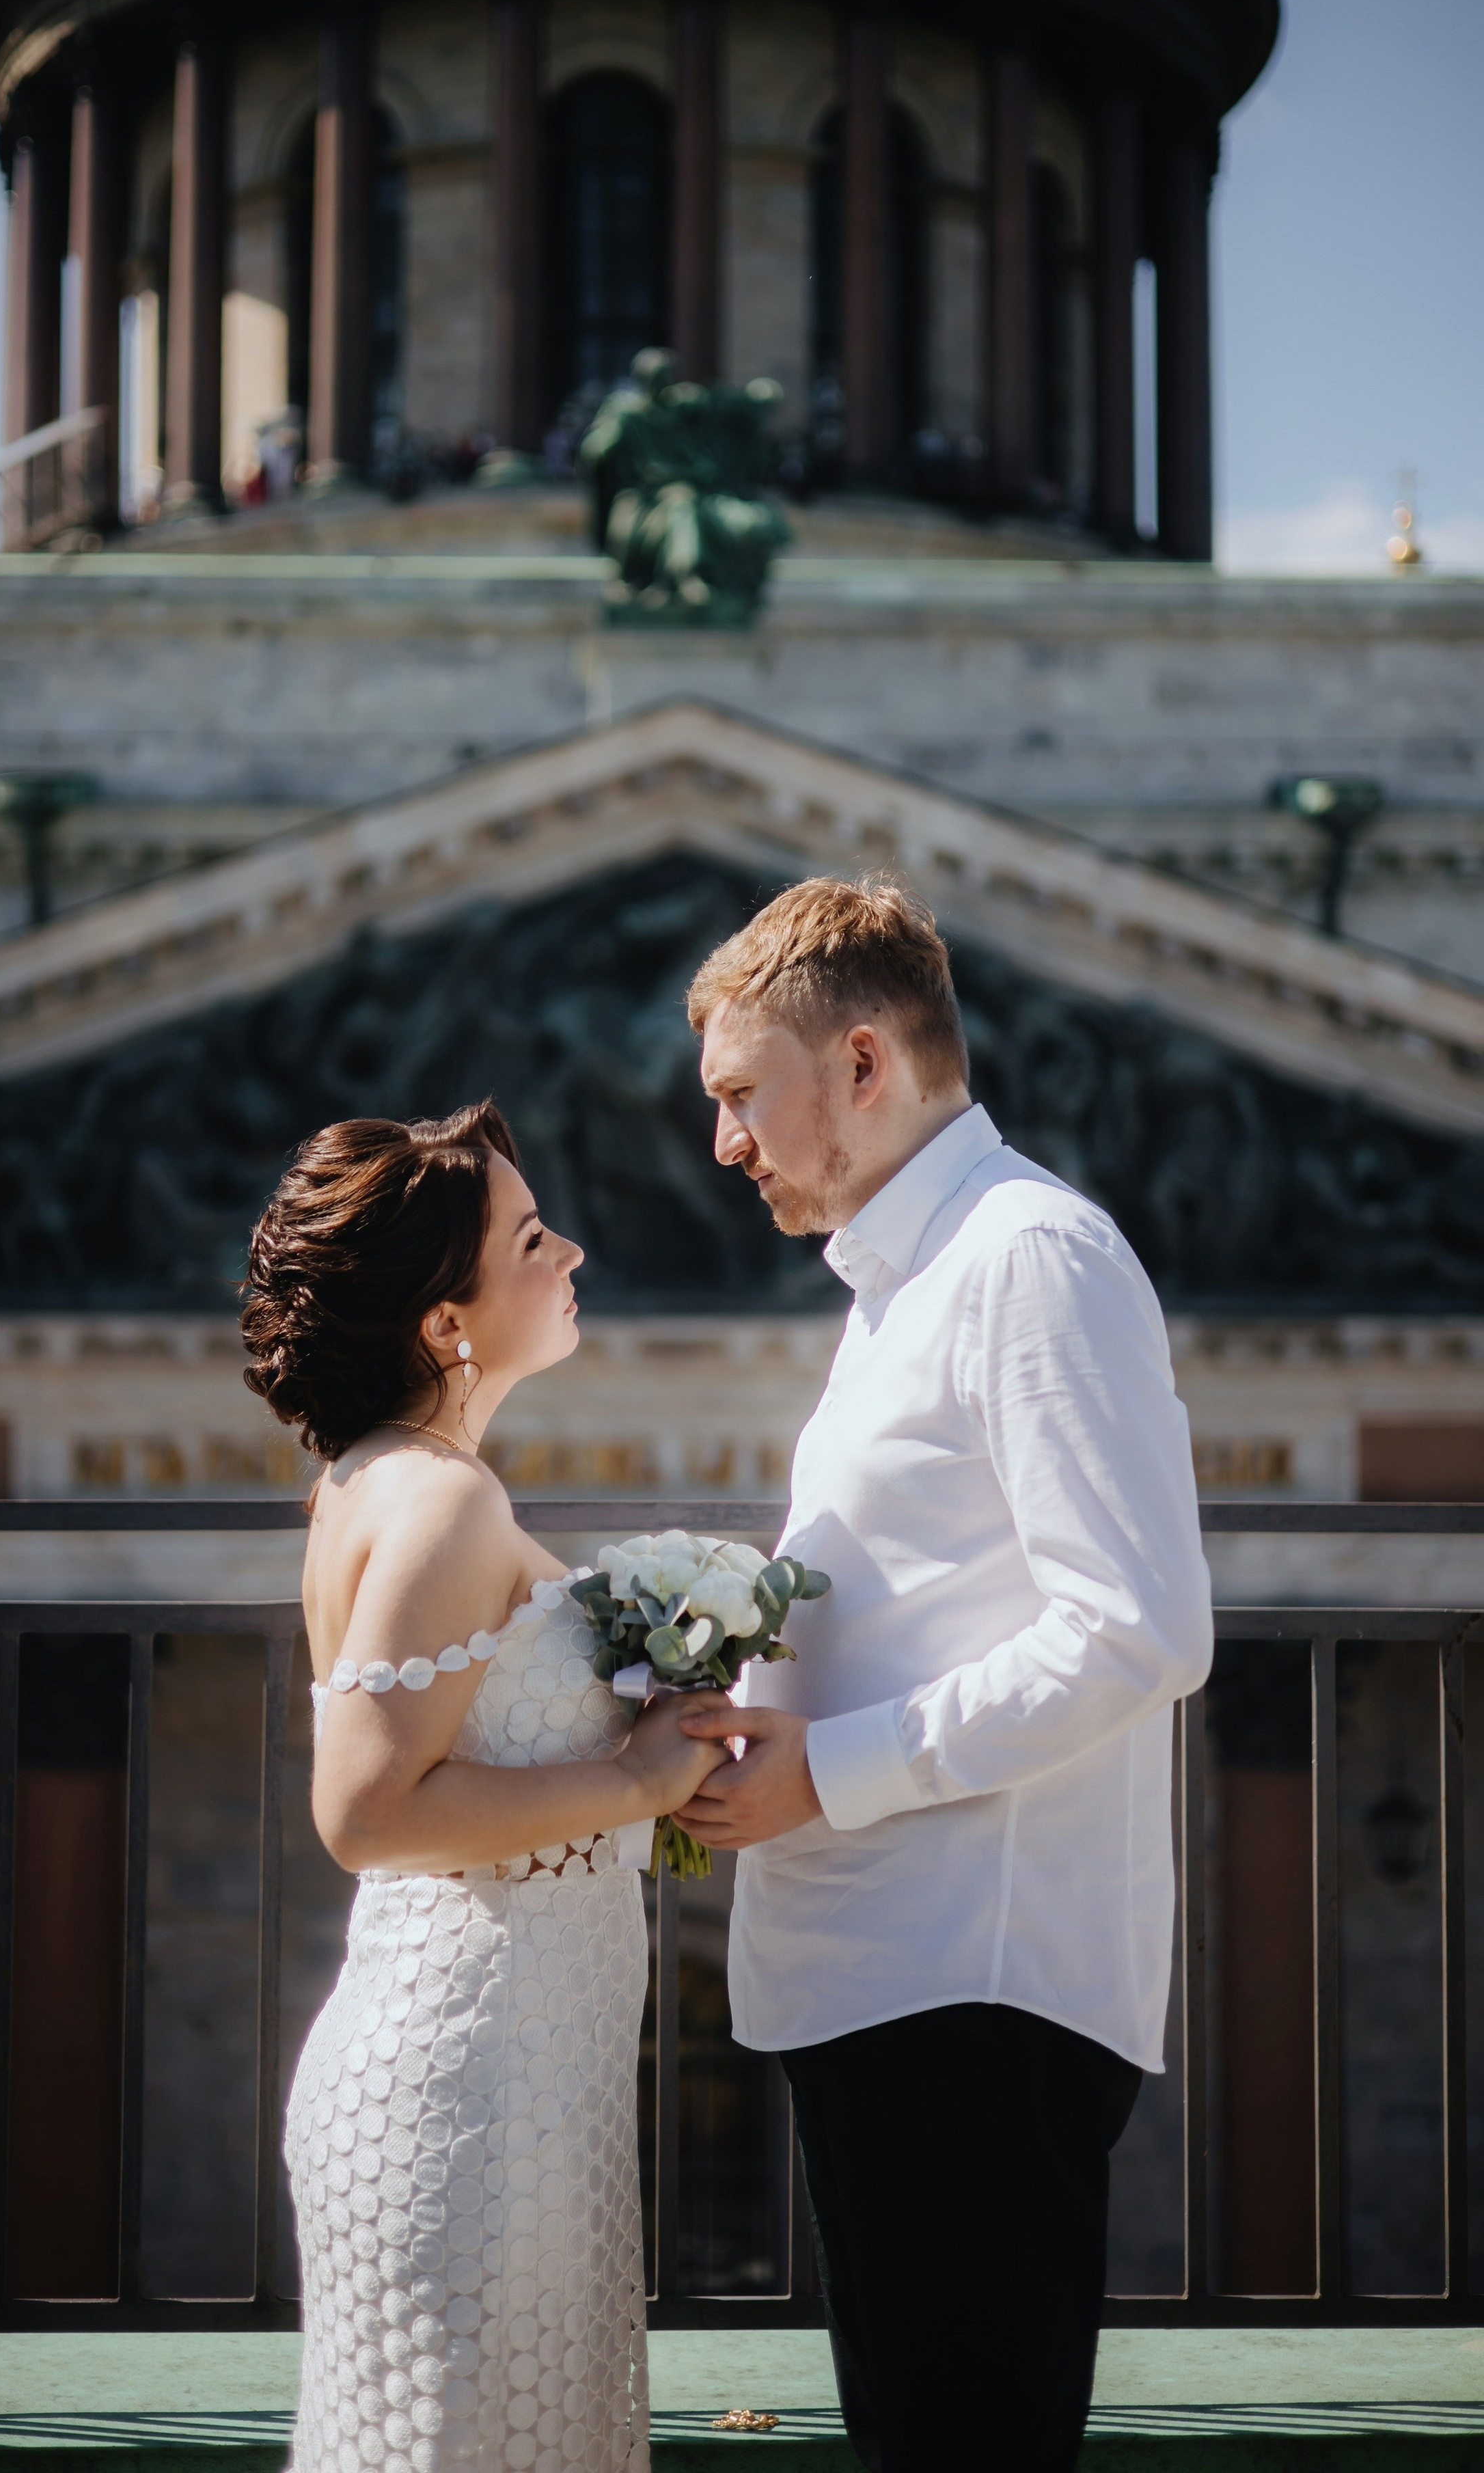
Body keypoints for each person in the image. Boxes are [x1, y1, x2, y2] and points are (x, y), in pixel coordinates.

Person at [673, 877, 1212, 2473]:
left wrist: (822, 1775)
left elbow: (1133, 1628)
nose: (720, 1144)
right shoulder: (911, 1279)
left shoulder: (1029, 1259)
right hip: (886, 1983)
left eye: (736, 1096)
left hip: (966, 1998)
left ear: (859, 1065)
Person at [241, 1103, 722, 2473]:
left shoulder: (383, 1482)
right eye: (527, 1236)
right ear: (445, 1316)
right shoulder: (441, 1502)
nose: (568, 1247)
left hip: (504, 2083)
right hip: (470, 2101)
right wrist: (630, 1777)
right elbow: (369, 1812)